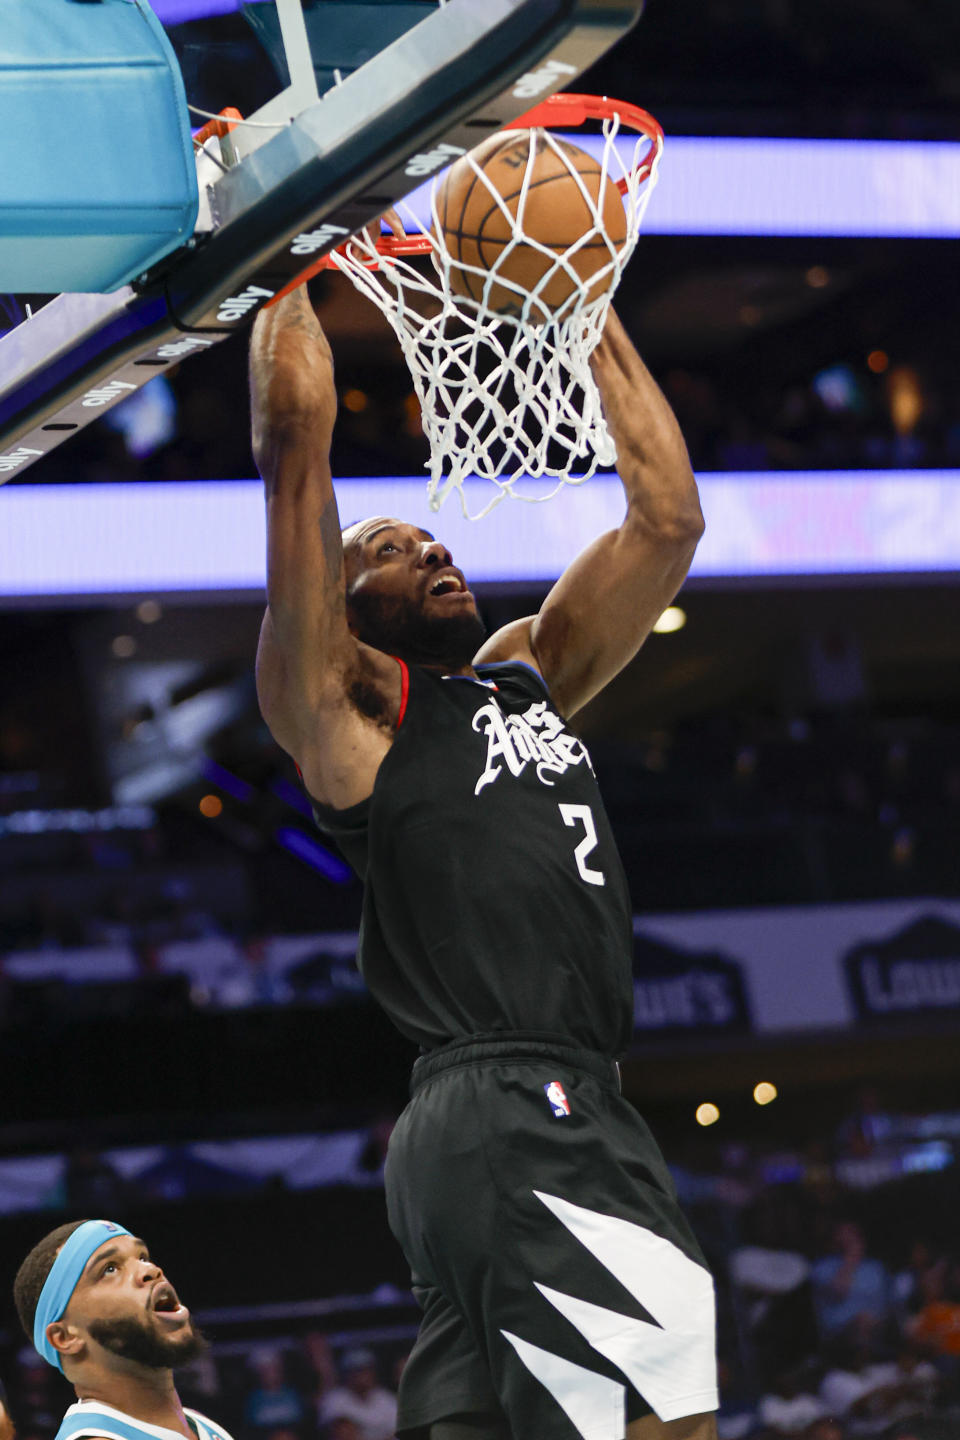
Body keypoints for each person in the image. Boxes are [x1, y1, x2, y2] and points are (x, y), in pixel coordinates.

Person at [250, 280, 716, 1440]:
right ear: (344, 606)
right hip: (521, 1100)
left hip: (496, 1126)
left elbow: (667, 522)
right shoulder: (351, 708)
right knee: (665, 1421)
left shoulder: (519, 674)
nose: (428, 546)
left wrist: (586, 304)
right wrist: (287, 267)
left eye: (431, 535)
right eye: (390, 551)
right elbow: (294, 450)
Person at [12, 1219, 229, 1440]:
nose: (150, 1270)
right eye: (110, 1269)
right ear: (65, 1337)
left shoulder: (205, 1427)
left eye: (142, 1257)